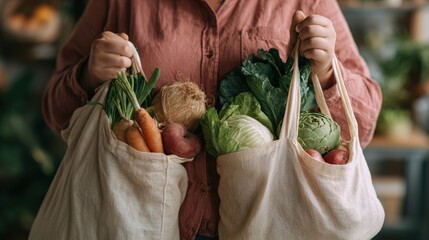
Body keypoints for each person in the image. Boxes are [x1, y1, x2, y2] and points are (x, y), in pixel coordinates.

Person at [42, 0, 382, 239]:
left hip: (271, 225)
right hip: (136, 223)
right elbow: (56, 110)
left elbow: (363, 124)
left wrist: (325, 72)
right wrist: (89, 74)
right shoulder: (123, 3)